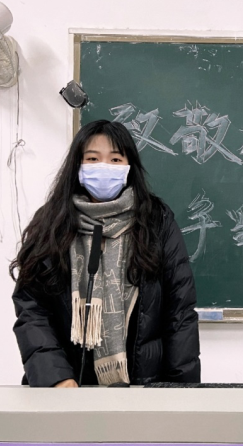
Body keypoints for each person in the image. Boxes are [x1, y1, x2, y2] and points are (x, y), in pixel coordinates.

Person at [10, 120, 200, 387]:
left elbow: (179, 312)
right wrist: (56, 377)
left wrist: (181, 390)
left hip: (144, 387)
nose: (104, 167)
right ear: (77, 165)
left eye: (115, 159)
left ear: (129, 167)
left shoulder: (156, 221)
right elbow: (32, 308)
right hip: (66, 389)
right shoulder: (52, 223)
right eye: (92, 158)